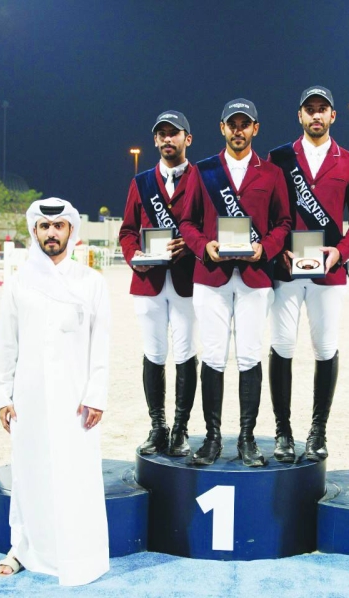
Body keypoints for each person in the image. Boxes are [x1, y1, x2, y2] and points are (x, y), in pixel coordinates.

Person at [0, 198, 111, 586]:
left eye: (59, 225)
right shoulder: (19, 282)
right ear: (35, 231)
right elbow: (6, 343)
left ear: (71, 231)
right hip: (28, 397)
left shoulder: (91, 282)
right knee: (29, 473)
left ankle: (79, 555)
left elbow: (101, 344)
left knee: (76, 474)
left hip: (76, 399)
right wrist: (3, 395)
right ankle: (23, 549)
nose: (52, 233)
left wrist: (96, 395)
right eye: (44, 226)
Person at [179, 98, 292, 467]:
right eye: (233, 124)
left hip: (255, 278)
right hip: (211, 276)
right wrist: (203, 246)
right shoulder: (203, 170)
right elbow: (187, 223)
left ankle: (246, 438)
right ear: (222, 128)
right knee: (213, 355)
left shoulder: (272, 173)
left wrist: (266, 248)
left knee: (249, 355)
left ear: (255, 128)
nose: (239, 130)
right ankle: (212, 438)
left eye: (245, 124)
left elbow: (283, 223)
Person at [266, 85, 349, 463]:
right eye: (309, 109)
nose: (316, 115)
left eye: (322, 109)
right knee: (282, 346)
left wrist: (340, 252)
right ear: (300, 115)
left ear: (332, 116)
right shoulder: (278, 158)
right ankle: (283, 431)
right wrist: (276, 249)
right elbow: (265, 212)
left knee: (325, 348)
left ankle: (318, 431)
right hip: (286, 270)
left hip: (328, 272)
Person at [119, 110, 199, 457]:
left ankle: (180, 428)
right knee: (154, 354)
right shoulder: (140, 183)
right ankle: (158, 426)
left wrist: (191, 244)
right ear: (155, 140)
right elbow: (127, 231)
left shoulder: (202, 178)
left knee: (185, 353)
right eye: (162, 134)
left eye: (174, 133)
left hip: (187, 280)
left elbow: (210, 226)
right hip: (148, 281)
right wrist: (134, 255)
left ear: (187, 139)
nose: (168, 139)